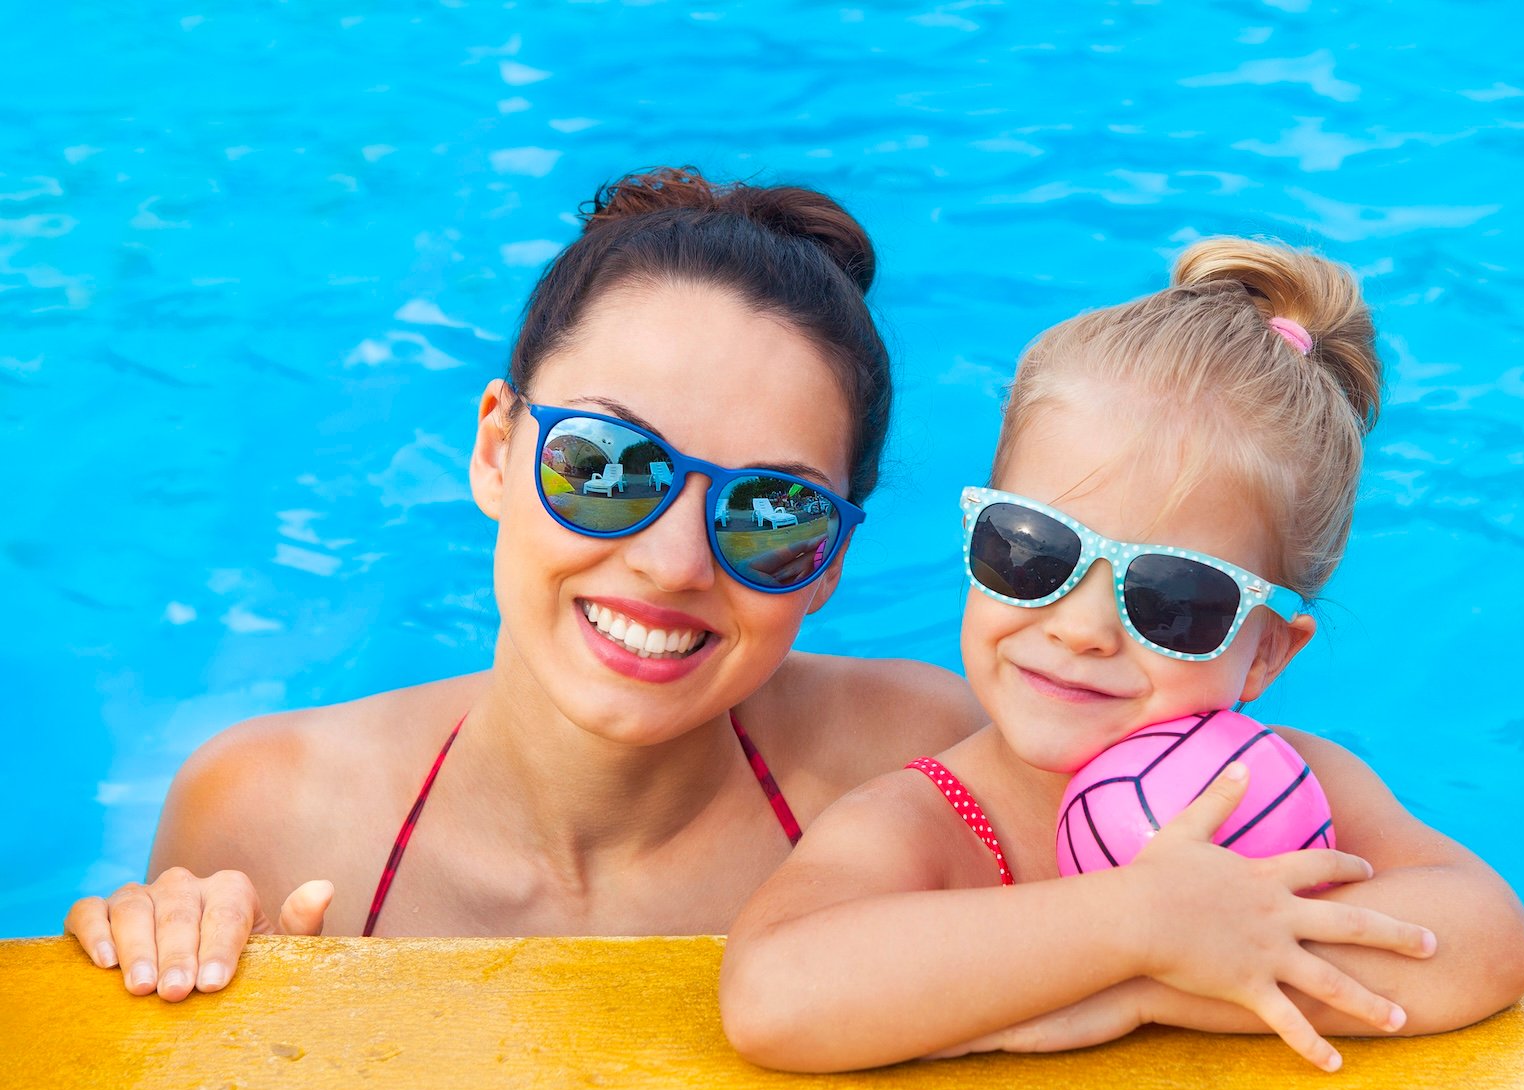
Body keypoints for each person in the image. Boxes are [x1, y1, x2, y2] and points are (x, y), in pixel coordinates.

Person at [64, 167, 982, 998]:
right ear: (496, 451)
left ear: (831, 564)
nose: (673, 565)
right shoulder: (266, 815)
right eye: (606, 465)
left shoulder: (925, 770)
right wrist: (172, 961)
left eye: (773, 514)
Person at [721, 238, 1524, 1073]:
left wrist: (1149, 990)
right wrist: (1137, 924)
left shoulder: (1285, 790)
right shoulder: (931, 821)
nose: (1081, 628)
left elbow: (1488, 940)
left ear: (1265, 652)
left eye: (1172, 597)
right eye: (1032, 551)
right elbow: (774, 996)